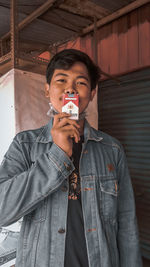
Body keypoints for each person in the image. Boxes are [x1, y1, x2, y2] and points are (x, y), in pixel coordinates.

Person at [0, 49, 142, 267]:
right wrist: (57, 153)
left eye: (81, 83)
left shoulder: (112, 149)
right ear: (47, 90)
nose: (70, 89)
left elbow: (127, 224)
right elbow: (3, 211)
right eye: (61, 80)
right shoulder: (25, 144)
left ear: (93, 93)